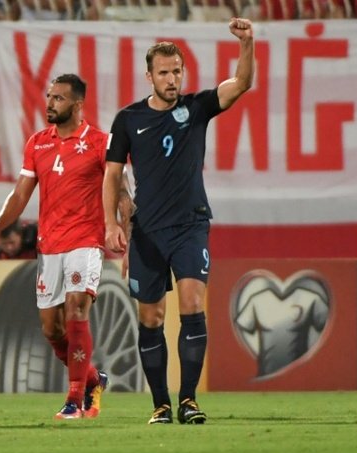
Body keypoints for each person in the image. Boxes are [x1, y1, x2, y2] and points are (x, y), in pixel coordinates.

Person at [102, 18, 255, 425]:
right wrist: (112, 224)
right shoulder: (128, 120)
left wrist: (247, 44)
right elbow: (112, 176)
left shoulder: (197, 107)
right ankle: (160, 405)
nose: (172, 79)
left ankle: (188, 401)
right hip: (147, 233)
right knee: (151, 318)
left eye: (177, 71)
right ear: (149, 75)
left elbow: (240, 83)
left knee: (192, 305)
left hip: (190, 226)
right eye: (164, 72)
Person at [0, 73, 110, 420]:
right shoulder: (37, 142)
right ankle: (94, 380)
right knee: (52, 329)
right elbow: (21, 193)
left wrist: (119, 227)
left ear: (78, 104)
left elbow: (119, 190)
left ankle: (74, 398)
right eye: (50, 96)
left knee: (76, 311)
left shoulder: (100, 142)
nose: (50, 103)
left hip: (85, 239)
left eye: (59, 98)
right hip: (49, 244)